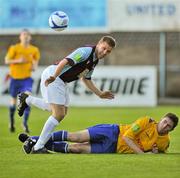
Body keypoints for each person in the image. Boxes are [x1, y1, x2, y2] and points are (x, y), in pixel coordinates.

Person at [17, 36, 116, 153]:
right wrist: (54, 76)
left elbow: (86, 78)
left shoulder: (95, 60)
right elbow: (65, 61)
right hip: (55, 76)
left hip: (61, 81)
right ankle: (38, 147)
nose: (105, 52)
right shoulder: (86, 51)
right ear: (99, 44)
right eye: (104, 48)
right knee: (58, 113)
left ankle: (26, 99)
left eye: (108, 51)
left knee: (60, 111)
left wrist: (99, 94)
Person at [19, 112, 178, 154]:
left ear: (171, 130)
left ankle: (33, 142)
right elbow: (127, 137)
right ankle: (34, 140)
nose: (164, 125)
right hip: (113, 132)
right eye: (164, 121)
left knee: (76, 148)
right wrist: (144, 155)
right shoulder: (147, 121)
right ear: (161, 119)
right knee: (76, 137)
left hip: (113, 149)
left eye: (168, 126)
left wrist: (155, 152)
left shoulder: (166, 142)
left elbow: (159, 150)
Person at [4, 29, 40, 133]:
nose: (26, 36)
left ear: (30, 37)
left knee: (27, 99)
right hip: (15, 79)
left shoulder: (34, 50)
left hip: (26, 79)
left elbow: (35, 66)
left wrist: (33, 66)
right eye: (24, 34)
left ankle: (24, 123)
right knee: (13, 103)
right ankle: (11, 121)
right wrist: (18, 61)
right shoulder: (14, 48)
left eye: (28, 35)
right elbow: (7, 60)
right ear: (20, 37)